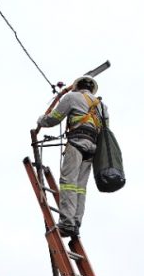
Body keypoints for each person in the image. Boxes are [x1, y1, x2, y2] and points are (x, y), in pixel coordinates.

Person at [32, 76, 108, 240]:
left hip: (76, 143)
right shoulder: (102, 106)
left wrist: (40, 120)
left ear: (77, 86)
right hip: (93, 149)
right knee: (80, 188)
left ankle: (67, 224)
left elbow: (54, 118)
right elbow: (105, 131)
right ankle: (75, 223)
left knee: (68, 184)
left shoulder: (72, 97)